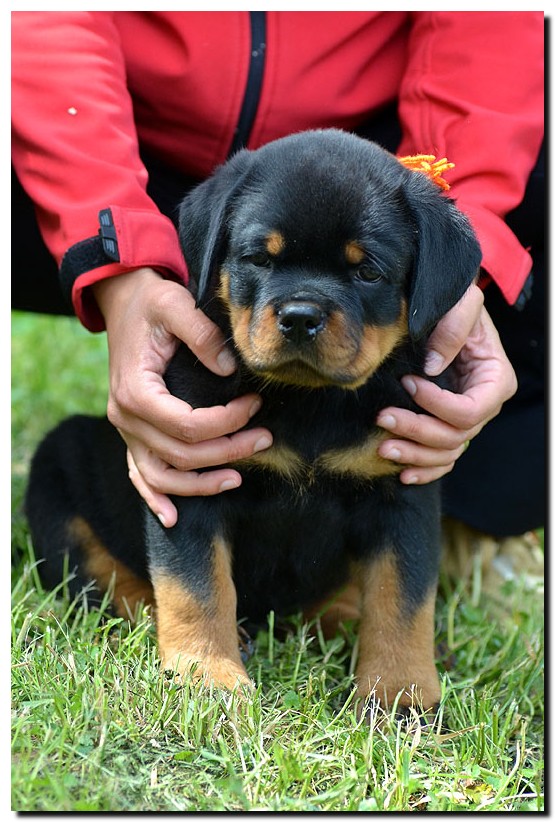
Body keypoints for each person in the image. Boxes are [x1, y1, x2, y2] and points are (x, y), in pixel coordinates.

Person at [12, 13, 544, 575]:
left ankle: (428, 531)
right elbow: (44, 18)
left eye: (361, 275)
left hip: (379, 168)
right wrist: (114, 255)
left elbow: (492, 27)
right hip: (116, 139)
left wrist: (459, 237)